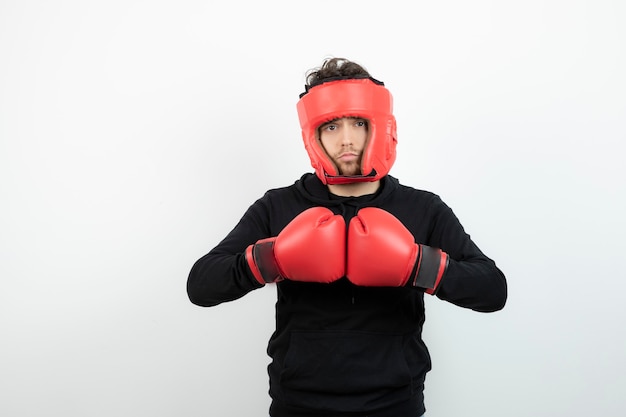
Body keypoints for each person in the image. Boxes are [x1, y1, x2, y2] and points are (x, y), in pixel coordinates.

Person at [187, 57, 507, 417]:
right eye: (331, 126)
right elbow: (201, 286)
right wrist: (270, 259)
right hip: (298, 403)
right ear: (313, 136)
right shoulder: (278, 206)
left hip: (395, 404)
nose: (347, 139)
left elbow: (493, 290)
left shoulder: (422, 208)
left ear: (382, 129)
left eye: (358, 123)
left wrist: (418, 265)